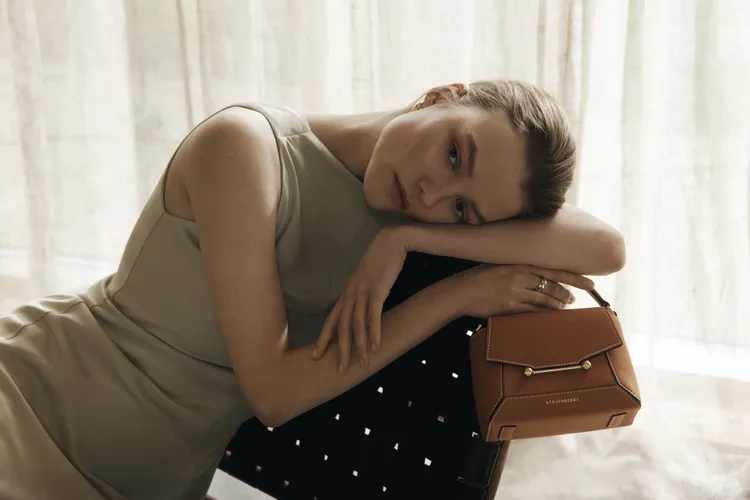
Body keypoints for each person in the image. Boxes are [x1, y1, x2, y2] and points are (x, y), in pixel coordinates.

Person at [0, 80, 624, 500]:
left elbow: (605, 248)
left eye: (462, 210)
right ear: (441, 96)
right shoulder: (245, 148)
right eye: (455, 154)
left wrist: (404, 238)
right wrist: (453, 295)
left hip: (147, 483)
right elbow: (274, 393)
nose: (432, 193)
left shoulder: (408, 215)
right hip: (32, 415)